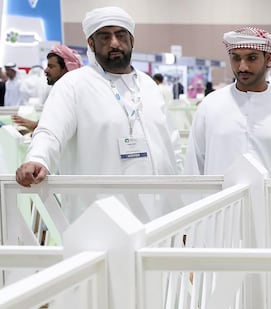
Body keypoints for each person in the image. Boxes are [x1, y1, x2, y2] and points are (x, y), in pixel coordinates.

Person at [15, 6, 179, 188]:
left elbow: (171, 141)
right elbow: (50, 131)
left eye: (120, 35)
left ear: (131, 40)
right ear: (91, 44)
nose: (114, 43)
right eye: (105, 37)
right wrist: (37, 159)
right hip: (98, 206)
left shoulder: (148, 85)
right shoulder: (74, 84)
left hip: (161, 205)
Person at [184, 26, 271, 250]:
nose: (242, 66)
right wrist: (189, 229)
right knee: (222, 281)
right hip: (219, 228)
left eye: (251, 58)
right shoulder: (210, 106)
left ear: (268, 59)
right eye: (236, 58)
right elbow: (193, 170)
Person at [11, 45, 83, 133]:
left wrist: (36, 127)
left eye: (51, 66)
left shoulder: (72, 95)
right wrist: (35, 126)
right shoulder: (59, 91)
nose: (46, 70)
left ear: (66, 69)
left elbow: (61, 128)